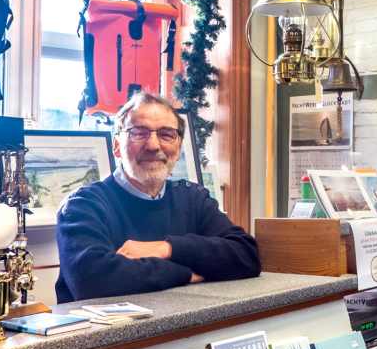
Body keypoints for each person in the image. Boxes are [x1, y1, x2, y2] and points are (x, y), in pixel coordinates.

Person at [55, 92, 260, 303]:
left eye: (166, 134)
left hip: (181, 328)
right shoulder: (82, 206)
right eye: (139, 133)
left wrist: (167, 248)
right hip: (107, 335)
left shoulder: (193, 198)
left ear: (178, 147)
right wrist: (186, 274)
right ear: (117, 145)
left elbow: (246, 256)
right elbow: (92, 280)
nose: (153, 146)